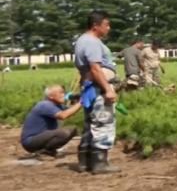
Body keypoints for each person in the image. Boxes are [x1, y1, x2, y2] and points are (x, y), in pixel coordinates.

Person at [73, 10, 121, 174]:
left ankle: (85, 161)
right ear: (96, 25)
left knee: (89, 123)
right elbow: (95, 68)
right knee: (103, 122)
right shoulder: (92, 42)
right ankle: (100, 163)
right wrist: (108, 89)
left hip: (90, 87)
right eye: (106, 24)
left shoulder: (82, 40)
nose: (109, 27)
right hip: (98, 87)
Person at [20, 85, 82, 156]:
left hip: (42, 137)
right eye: (61, 93)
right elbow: (63, 115)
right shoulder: (45, 105)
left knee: (73, 130)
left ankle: (48, 150)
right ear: (51, 96)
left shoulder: (57, 105)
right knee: (64, 133)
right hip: (30, 141)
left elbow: (70, 111)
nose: (63, 95)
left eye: (64, 93)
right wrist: (81, 102)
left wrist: (76, 101)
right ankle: (46, 151)